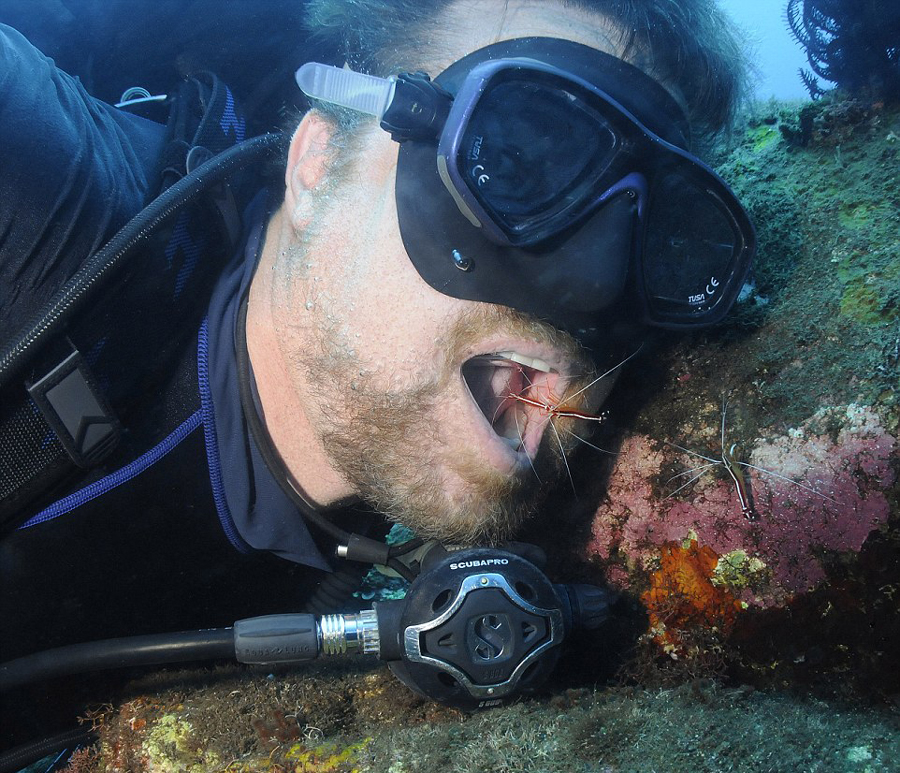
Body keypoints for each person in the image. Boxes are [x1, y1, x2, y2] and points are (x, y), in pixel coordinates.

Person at [0, 0, 752, 743]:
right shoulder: (38, 189)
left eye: (660, 239)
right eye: (517, 159)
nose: (596, 283)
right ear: (318, 161)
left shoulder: (373, 569)